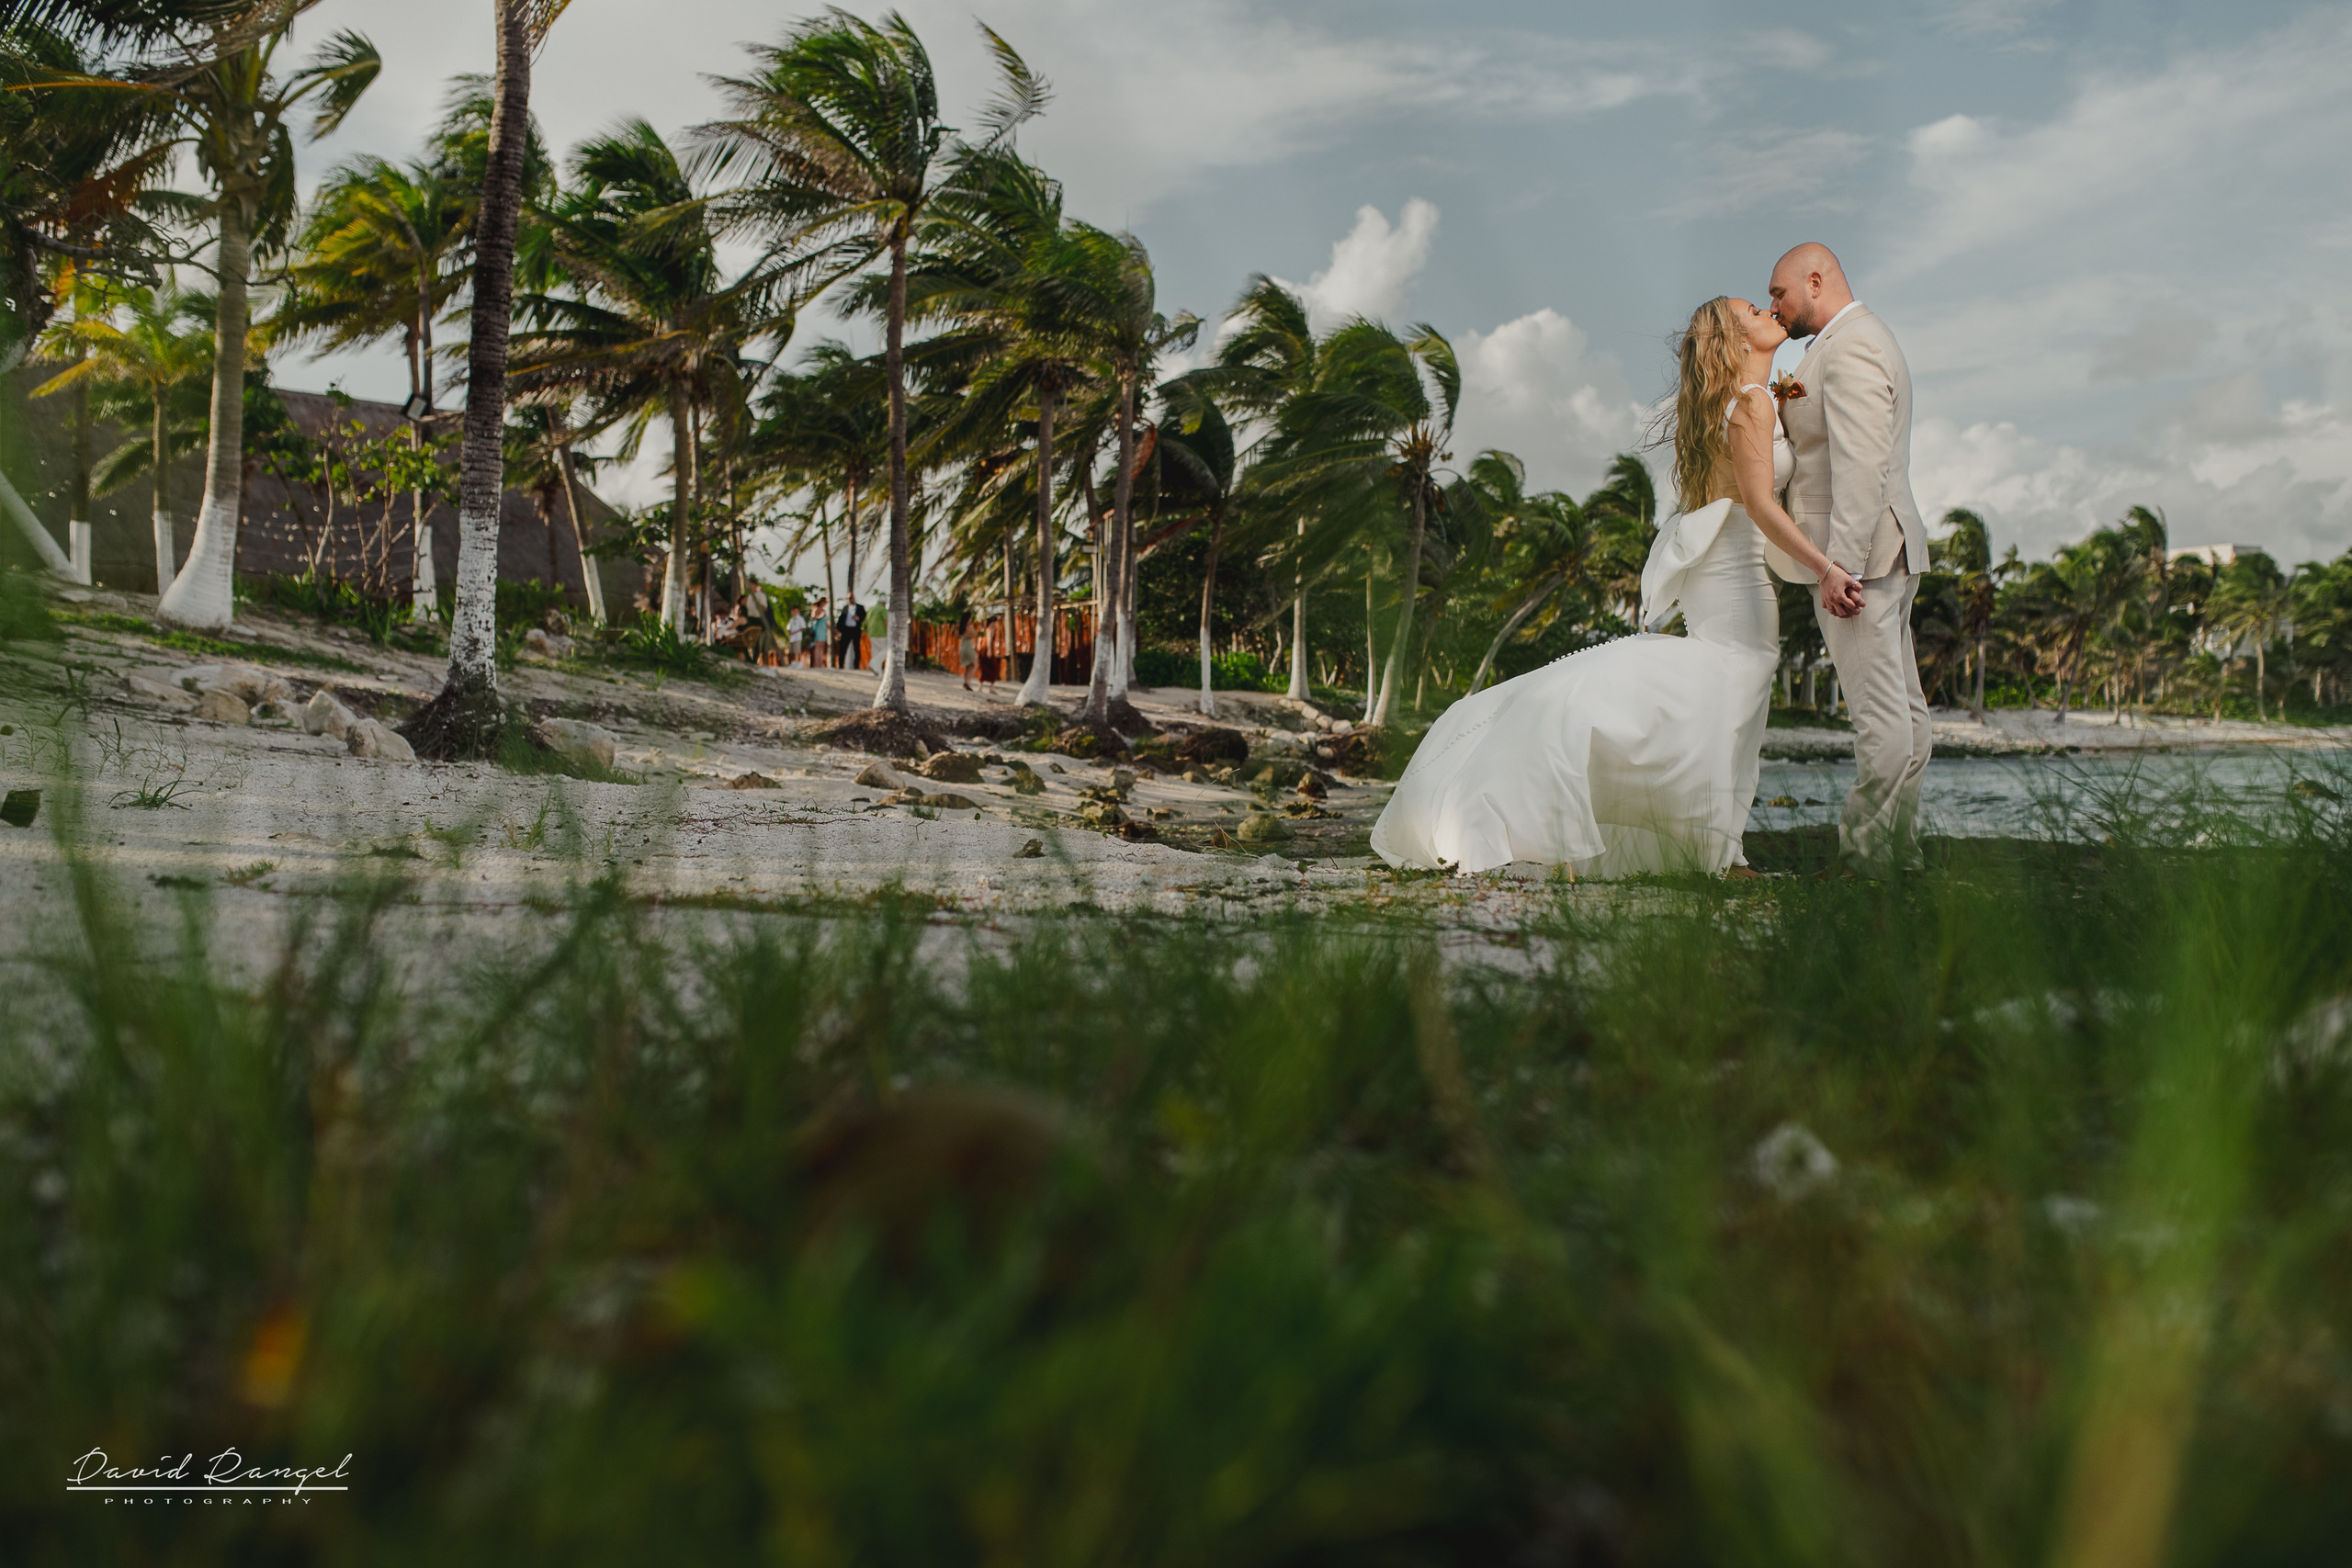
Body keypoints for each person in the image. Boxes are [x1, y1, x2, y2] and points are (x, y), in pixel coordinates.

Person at [1370, 296, 1862, 879]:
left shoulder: (1733, 405)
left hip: (1722, 570)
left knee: (1723, 702)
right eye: (1752, 309)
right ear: (1734, 339)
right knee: (1727, 698)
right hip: (1734, 575)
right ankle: (1718, 856)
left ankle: (1716, 850)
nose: (1766, 311)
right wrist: (1828, 568)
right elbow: (1758, 503)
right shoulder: (1751, 404)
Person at [1765, 242, 1931, 874]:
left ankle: (1865, 855)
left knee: (1880, 717)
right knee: (1906, 715)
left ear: (1815, 279)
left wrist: (1843, 566)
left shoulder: (1852, 344)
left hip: (1863, 561)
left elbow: (1862, 465)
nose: (1774, 307)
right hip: (1886, 553)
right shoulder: (1849, 341)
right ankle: (1899, 850)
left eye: (1779, 292)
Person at [837, 593, 866, 671]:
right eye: (848, 598)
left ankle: (856, 666)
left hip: (855, 630)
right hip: (846, 630)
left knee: (856, 648)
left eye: (851, 598)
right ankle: (840, 665)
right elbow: (841, 619)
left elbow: (864, 617)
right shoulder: (845, 608)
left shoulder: (860, 607)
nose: (849, 599)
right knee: (843, 647)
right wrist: (838, 629)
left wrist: (858, 618)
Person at [956, 609, 978, 693]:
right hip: (968, 646)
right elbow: (968, 636)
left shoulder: (961, 626)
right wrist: (974, 634)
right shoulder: (968, 626)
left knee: (968, 665)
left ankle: (966, 682)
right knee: (975, 664)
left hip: (963, 646)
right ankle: (968, 681)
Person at [785, 600, 807, 666]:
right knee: (792, 651)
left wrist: (795, 632)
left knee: (798, 651)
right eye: (793, 611)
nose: (794, 612)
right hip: (792, 638)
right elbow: (788, 628)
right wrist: (790, 632)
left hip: (797, 637)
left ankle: (799, 663)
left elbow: (803, 627)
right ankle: (793, 662)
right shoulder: (791, 619)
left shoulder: (800, 619)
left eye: (796, 611)